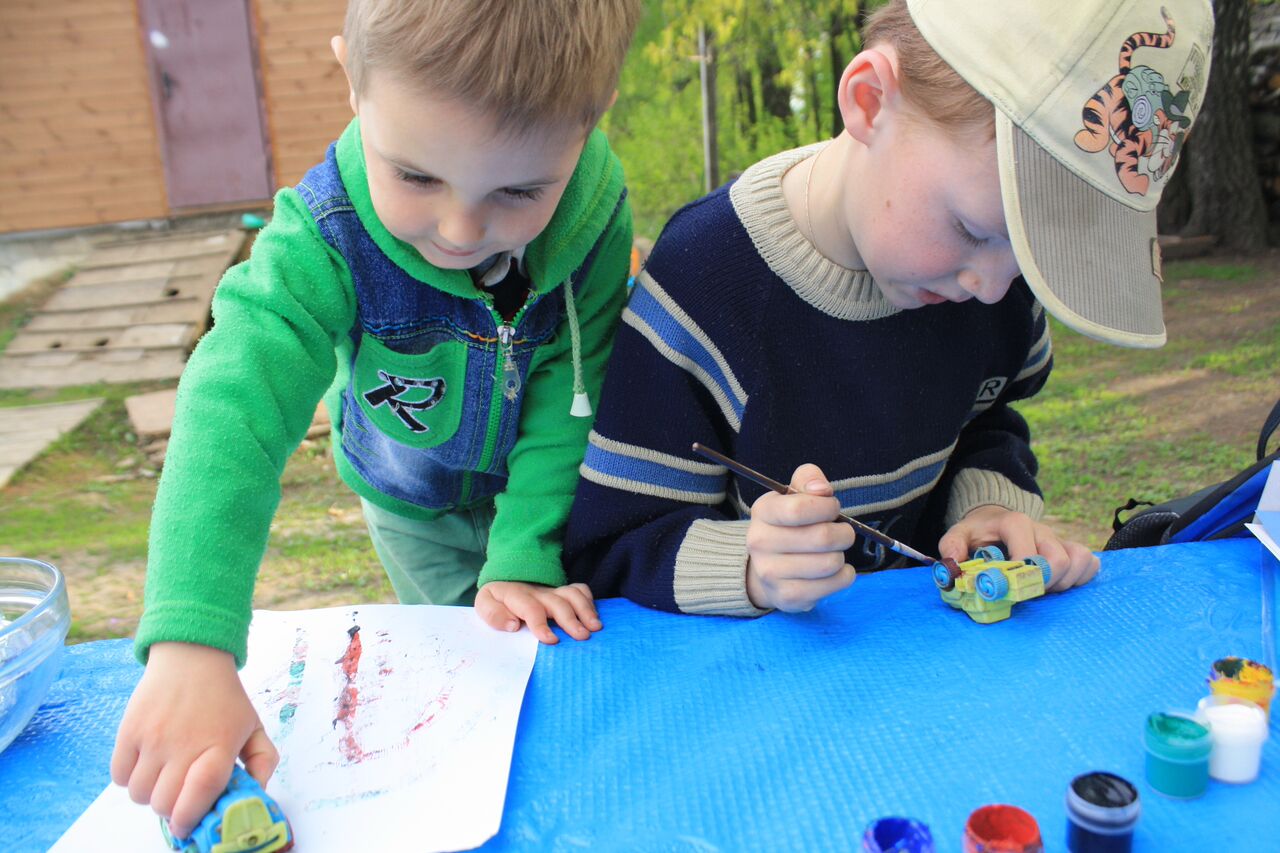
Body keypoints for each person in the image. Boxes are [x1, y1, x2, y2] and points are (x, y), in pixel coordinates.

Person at [112, 0, 642, 838]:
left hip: (547, 492)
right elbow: (234, 403)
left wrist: (525, 549)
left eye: (518, 189)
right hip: (410, 509)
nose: (462, 230)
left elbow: (571, 385)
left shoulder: (595, 216)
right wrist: (193, 638)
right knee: (464, 688)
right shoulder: (320, 236)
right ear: (352, 84)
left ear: (588, 124)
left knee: (558, 685)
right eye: (418, 177)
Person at [565, 0, 1213, 618]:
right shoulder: (703, 280)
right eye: (970, 228)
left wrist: (984, 508)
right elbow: (614, 544)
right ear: (869, 101)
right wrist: (751, 567)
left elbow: (986, 425)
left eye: (1028, 258)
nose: (991, 287)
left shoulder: (993, 282)